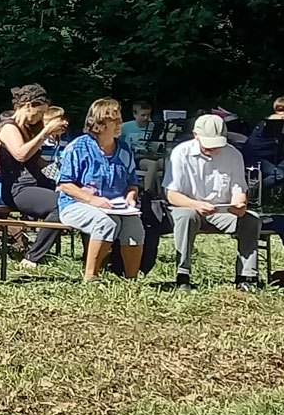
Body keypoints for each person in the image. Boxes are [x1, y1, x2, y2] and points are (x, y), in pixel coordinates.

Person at [164, 114, 260, 290]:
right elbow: (171, 195)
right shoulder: (181, 153)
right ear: (195, 135)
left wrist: (239, 204)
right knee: (187, 217)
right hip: (187, 208)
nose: (213, 148)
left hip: (221, 212)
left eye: (217, 144)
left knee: (251, 219)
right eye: (208, 144)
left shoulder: (234, 154)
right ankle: (182, 275)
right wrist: (196, 205)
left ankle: (247, 277)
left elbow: (239, 188)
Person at [56, 98, 143, 282]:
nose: (120, 124)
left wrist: (131, 196)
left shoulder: (124, 149)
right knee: (106, 223)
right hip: (76, 204)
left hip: (117, 206)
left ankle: (131, 279)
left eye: (119, 118)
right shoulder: (78, 147)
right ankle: (91, 276)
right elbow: (64, 184)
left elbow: (132, 182)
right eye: (115, 120)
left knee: (135, 226)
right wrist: (92, 200)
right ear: (100, 124)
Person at [0, 84, 68, 268]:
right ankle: (32, 257)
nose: (39, 118)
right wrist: (45, 133)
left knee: (75, 198)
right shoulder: (8, 127)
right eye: (39, 112)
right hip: (18, 189)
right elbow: (20, 154)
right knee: (60, 206)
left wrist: (65, 175)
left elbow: (38, 162)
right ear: (27, 105)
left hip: (36, 183)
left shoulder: (29, 129)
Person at [121, 101, 161, 193]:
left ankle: (165, 193)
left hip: (149, 154)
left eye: (148, 115)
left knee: (168, 162)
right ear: (135, 114)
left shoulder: (152, 126)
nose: (146, 118)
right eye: (143, 115)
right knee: (152, 165)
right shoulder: (125, 127)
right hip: (134, 157)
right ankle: (147, 193)